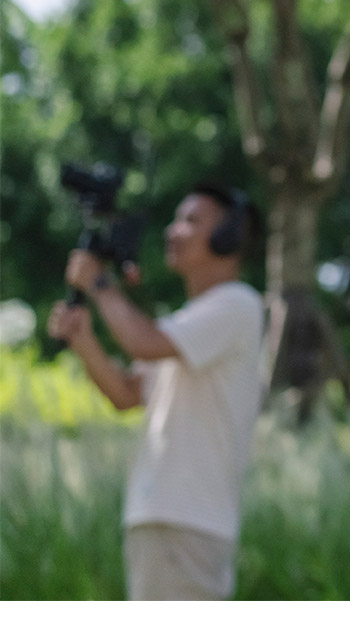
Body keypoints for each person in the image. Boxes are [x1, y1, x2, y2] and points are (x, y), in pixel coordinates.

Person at [48, 181, 266, 600]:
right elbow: (126, 394)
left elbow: (142, 342)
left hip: (186, 522)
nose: (172, 231)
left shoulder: (237, 304)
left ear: (229, 235)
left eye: (190, 221)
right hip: (162, 519)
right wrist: (84, 341)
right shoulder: (186, 323)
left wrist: (99, 283)